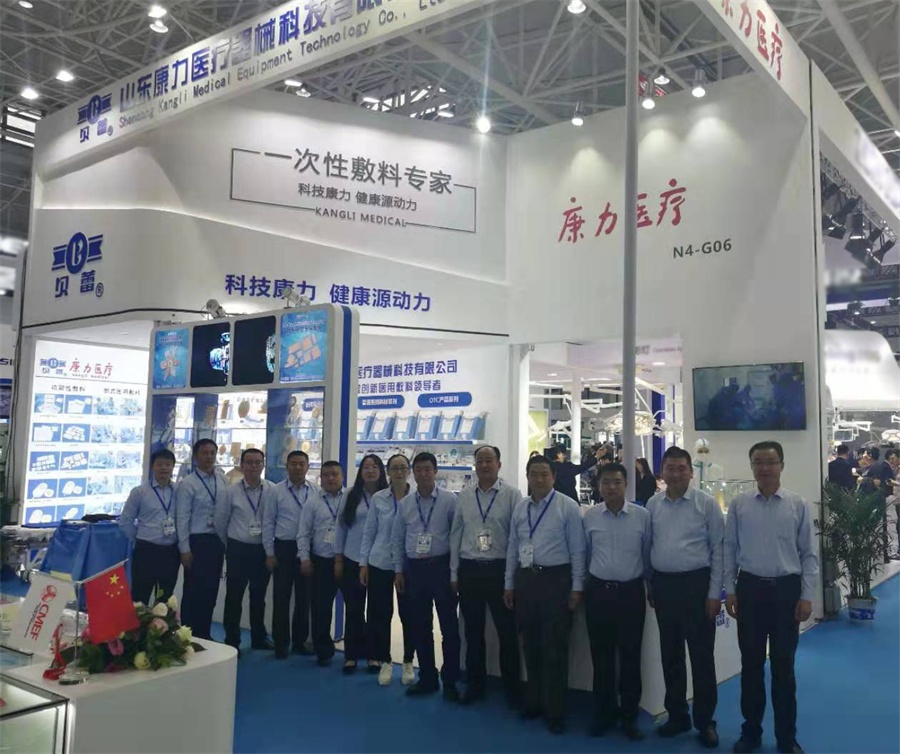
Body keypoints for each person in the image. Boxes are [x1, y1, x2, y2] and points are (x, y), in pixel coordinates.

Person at [725, 441, 818, 754]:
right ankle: (750, 733)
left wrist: (807, 596)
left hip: (786, 592)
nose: (764, 468)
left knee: (783, 667)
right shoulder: (739, 504)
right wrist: (730, 589)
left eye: (771, 462)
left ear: (782, 465)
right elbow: (729, 549)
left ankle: (786, 737)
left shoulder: (797, 504)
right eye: (758, 462)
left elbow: (808, 554)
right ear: (751, 466)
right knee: (750, 666)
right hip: (750, 589)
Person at [646, 446, 724, 748]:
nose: (676, 473)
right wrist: (651, 584)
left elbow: (718, 550)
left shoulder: (706, 504)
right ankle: (677, 715)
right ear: (662, 472)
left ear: (691, 472)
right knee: (671, 654)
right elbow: (648, 547)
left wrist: (714, 592)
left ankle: (705, 722)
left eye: (681, 468)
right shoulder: (653, 504)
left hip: (697, 586)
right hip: (664, 586)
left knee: (702, 657)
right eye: (670, 468)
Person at [504, 455, 585, 735]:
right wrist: (509, 584)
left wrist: (577, 587)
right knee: (530, 645)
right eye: (534, 474)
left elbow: (578, 550)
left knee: (555, 648)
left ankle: (555, 710)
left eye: (544, 474)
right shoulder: (521, 507)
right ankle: (534, 701)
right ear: (527, 477)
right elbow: (513, 547)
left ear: (554, 477)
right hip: (526, 580)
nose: (539, 479)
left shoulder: (567, 506)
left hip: (556, 581)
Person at [450, 445, 522, 707]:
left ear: (499, 464)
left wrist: (511, 578)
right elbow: (456, 534)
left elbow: (517, 538)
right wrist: (454, 572)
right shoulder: (464, 496)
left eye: (489, 460)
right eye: (480, 461)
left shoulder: (512, 495)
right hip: (470, 569)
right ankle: (475, 684)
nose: (484, 465)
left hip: (499, 569)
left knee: (507, 633)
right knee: (473, 632)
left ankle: (512, 688)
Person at [583, 463, 651, 741]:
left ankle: (629, 717)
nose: (611, 487)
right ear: (599, 486)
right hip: (598, 592)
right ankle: (604, 714)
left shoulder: (642, 516)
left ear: (626, 485)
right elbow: (586, 553)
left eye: (617, 482)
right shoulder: (590, 516)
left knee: (631, 657)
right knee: (601, 657)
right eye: (606, 482)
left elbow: (647, 554)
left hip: (630, 593)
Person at [391, 452, 460, 702]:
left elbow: (456, 537)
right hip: (415, 570)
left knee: (449, 628)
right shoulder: (406, 504)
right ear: (413, 472)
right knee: (420, 626)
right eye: (418, 469)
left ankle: (450, 680)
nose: (423, 474)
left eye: (427, 469)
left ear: (435, 471)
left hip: (441, 568)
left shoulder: (450, 500)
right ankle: (427, 678)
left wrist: (454, 572)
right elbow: (398, 538)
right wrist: (398, 570)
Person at [359, 453, 417, 687]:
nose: (399, 472)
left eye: (403, 468)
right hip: (380, 562)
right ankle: (384, 660)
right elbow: (369, 532)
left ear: (409, 471)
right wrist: (363, 563)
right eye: (394, 468)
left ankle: (408, 661)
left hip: (409, 564)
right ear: (388, 472)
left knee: (409, 615)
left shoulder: (417, 497)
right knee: (380, 615)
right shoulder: (379, 499)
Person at [214, 448, 275, 653]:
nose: (254, 466)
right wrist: (231, 543)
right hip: (237, 549)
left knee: (258, 596)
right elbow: (220, 521)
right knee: (234, 597)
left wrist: (269, 550)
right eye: (249, 462)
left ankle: (259, 637)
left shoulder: (271, 490)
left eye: (258, 462)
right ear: (242, 465)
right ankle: (232, 641)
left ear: (263, 465)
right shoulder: (230, 491)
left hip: (262, 549)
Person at [262, 450, 317, 659]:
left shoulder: (315, 490)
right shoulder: (276, 491)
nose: (298, 467)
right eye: (293, 463)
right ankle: (281, 644)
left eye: (302, 464)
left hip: (308, 550)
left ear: (308, 467)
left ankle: (300, 642)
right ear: (287, 467)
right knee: (281, 598)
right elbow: (268, 523)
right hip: (283, 548)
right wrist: (269, 552)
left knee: (304, 598)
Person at [335, 454, 386, 674]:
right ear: (360, 471)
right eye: (366, 467)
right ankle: (351, 655)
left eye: (374, 466)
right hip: (352, 559)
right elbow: (340, 527)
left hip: (378, 562)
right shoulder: (351, 495)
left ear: (381, 471)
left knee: (376, 611)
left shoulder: (387, 495)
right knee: (354, 609)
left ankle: (374, 655)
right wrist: (338, 557)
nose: (370, 470)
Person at [175, 438, 227, 639]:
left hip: (216, 541)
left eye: (212, 453)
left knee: (211, 590)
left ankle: (204, 633)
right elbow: (182, 518)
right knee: (193, 590)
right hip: (196, 542)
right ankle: (187, 635)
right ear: (196, 456)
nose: (209, 457)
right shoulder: (188, 483)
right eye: (205, 453)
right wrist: (184, 548)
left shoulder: (222, 479)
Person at [298, 461, 346, 666]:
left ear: (342, 476)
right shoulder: (313, 502)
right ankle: (323, 651)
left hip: (347, 560)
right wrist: (304, 558)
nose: (330, 478)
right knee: (321, 608)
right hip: (322, 561)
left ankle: (355, 651)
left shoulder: (351, 499)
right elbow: (303, 533)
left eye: (334, 474)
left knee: (354, 607)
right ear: (321, 478)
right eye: (326, 475)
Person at [120, 448, 181, 604]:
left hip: (170, 552)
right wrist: (140, 537)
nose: (164, 468)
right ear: (152, 466)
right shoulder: (140, 492)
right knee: (140, 597)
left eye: (168, 464)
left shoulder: (179, 491)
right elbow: (126, 521)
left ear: (173, 467)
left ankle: (162, 621)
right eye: (160, 464)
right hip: (146, 551)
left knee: (165, 599)